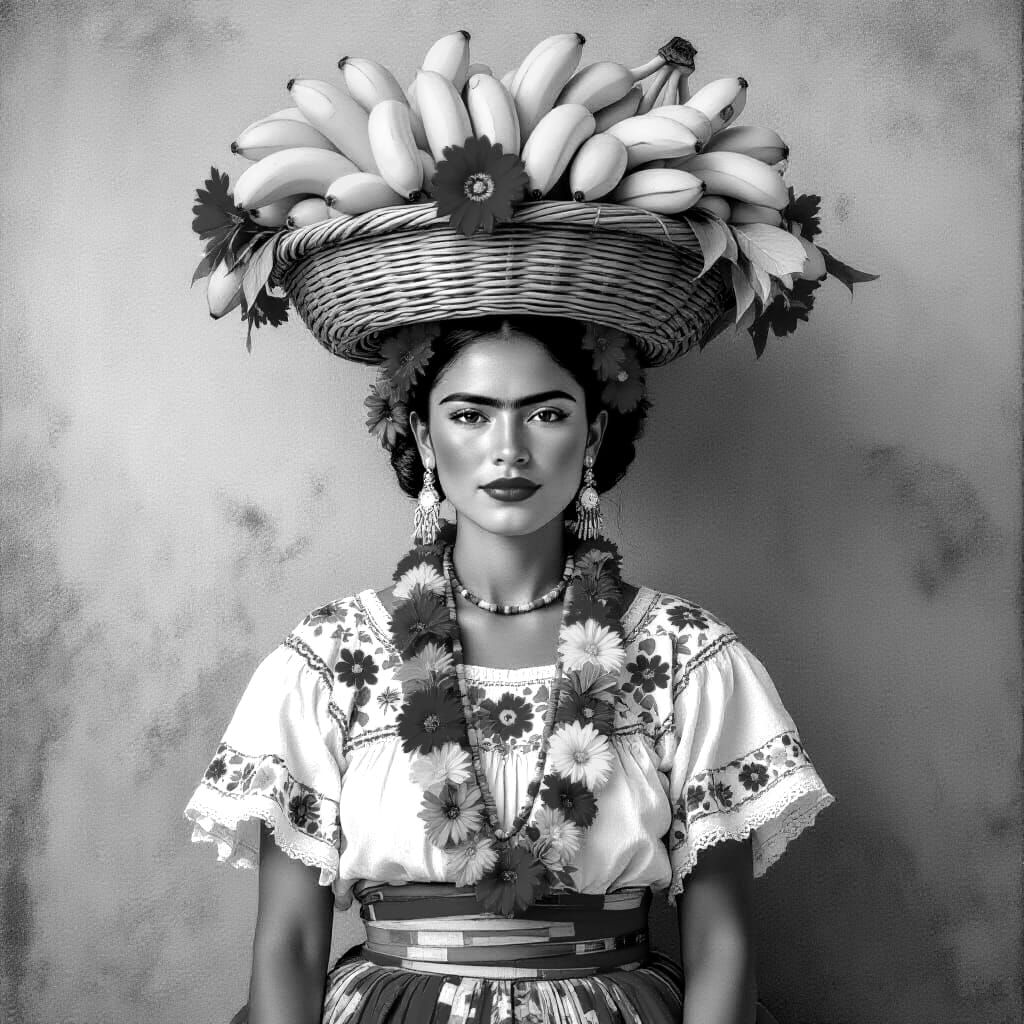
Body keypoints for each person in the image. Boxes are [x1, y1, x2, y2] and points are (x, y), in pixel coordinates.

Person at [184, 313, 834, 1024]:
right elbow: (289, 943)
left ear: (594, 434)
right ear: (427, 438)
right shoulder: (333, 658)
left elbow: (722, 939)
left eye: (547, 414)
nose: (509, 450)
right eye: (470, 415)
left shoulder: (681, 653)